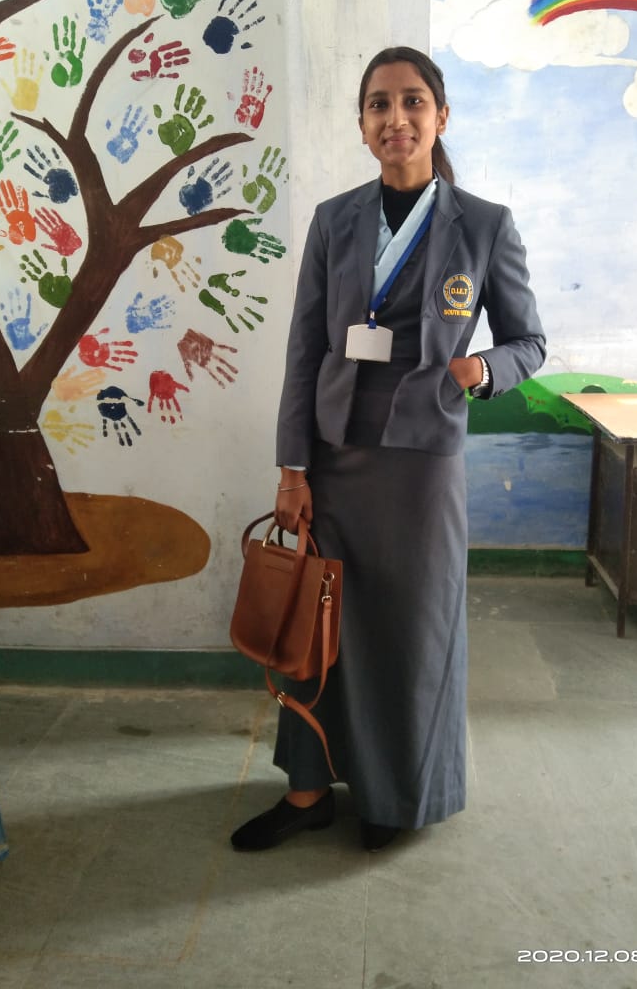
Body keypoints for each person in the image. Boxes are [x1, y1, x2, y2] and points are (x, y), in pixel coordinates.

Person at [230, 46, 546, 852]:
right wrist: (292, 468)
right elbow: (305, 350)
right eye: (379, 104)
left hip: (422, 468)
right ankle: (307, 792)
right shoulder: (335, 219)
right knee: (314, 623)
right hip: (334, 460)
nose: (395, 118)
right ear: (363, 122)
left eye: (412, 102)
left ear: (441, 117)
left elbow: (530, 343)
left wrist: (480, 369)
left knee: (412, 632)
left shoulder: (485, 225)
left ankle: (395, 798)